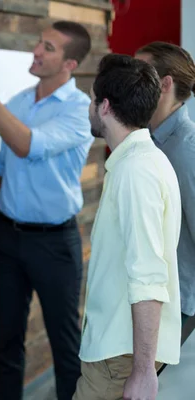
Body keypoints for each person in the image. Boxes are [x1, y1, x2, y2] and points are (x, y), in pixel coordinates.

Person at [0, 21, 93, 400]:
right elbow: (2, 170)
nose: (36, 50)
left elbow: (26, 146)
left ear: (69, 64)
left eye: (48, 47)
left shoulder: (78, 110)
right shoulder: (18, 102)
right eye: (39, 42)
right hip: (8, 240)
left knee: (66, 349)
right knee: (7, 345)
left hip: (55, 245)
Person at [74, 54, 181, 400]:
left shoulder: (137, 172)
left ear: (104, 106)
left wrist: (143, 370)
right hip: (118, 351)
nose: (89, 107)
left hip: (119, 358)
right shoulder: (136, 162)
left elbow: (148, 276)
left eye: (92, 99)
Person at [135, 41, 195, 326]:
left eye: (139, 74)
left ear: (164, 84)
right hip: (148, 299)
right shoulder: (147, 138)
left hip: (175, 304)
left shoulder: (187, 148)